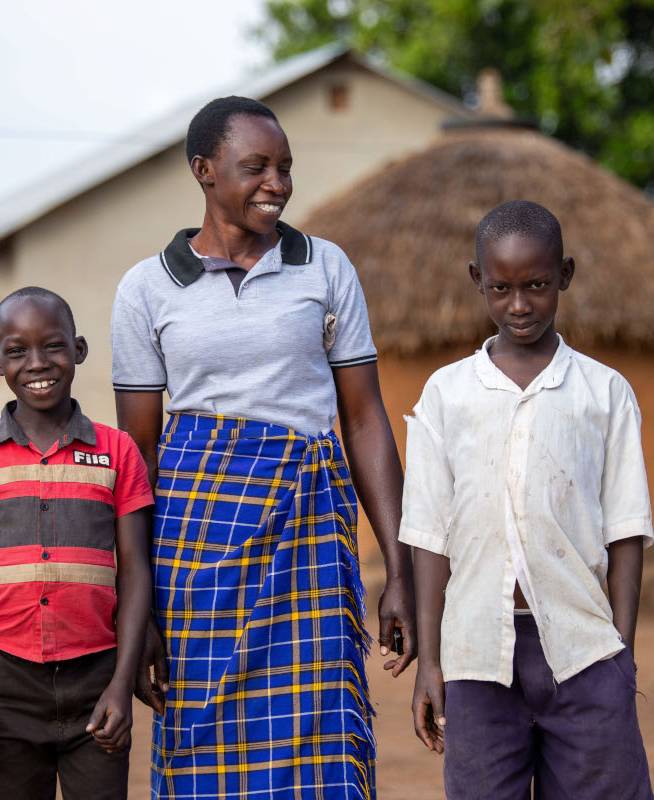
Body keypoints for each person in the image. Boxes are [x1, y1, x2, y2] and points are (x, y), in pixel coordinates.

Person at [111, 95, 416, 799]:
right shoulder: (147, 289)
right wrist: (140, 609)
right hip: (194, 553)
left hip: (307, 536)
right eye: (256, 167)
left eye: (285, 168)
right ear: (205, 171)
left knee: (319, 736)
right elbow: (138, 457)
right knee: (198, 736)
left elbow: (365, 421)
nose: (276, 183)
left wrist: (397, 567)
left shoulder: (325, 268)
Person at [403, 200, 654, 799]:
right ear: (477, 281)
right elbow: (430, 537)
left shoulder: (603, 392)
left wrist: (622, 654)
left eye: (537, 286)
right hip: (476, 653)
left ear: (565, 274)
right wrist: (431, 663)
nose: (519, 305)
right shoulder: (447, 393)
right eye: (501, 288)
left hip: (584, 650)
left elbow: (626, 530)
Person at [0, 287, 154, 799]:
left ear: (78, 350)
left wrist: (121, 684)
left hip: (96, 680)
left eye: (53, 346)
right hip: (2, 684)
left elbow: (136, 569)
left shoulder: (117, 451)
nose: (37, 364)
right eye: (16, 351)